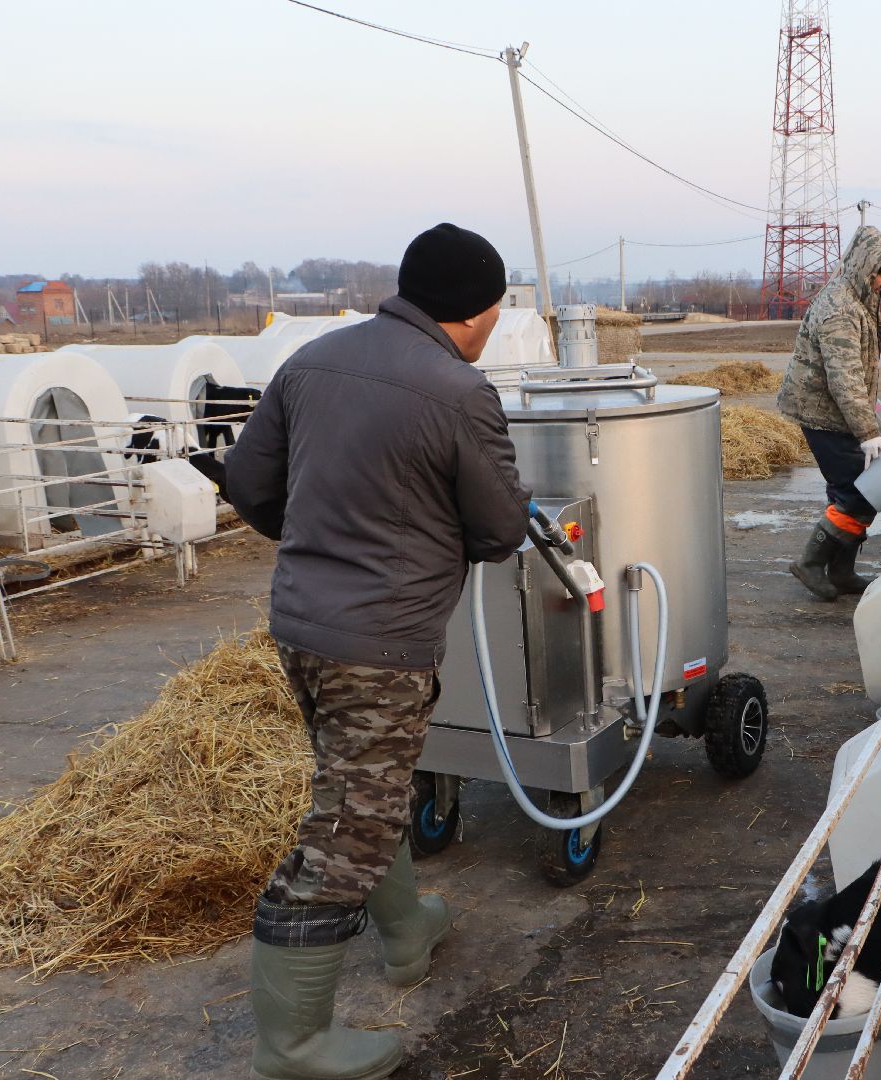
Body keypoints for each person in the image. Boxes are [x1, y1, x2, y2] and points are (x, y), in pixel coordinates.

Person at [226, 222, 531, 1080]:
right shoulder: (458, 390)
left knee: (360, 787)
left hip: (301, 625)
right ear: (476, 313)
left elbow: (248, 484)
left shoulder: (313, 360)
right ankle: (293, 1046)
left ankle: (406, 929)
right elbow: (502, 529)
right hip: (380, 642)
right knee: (343, 835)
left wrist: (326, 544)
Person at [776, 225, 881, 601]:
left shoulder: (859, 296)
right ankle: (811, 563)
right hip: (821, 412)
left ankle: (842, 570)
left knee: (855, 489)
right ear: (866, 268)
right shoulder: (840, 309)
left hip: (839, 411)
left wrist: (870, 413)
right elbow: (844, 377)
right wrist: (867, 431)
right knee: (859, 493)